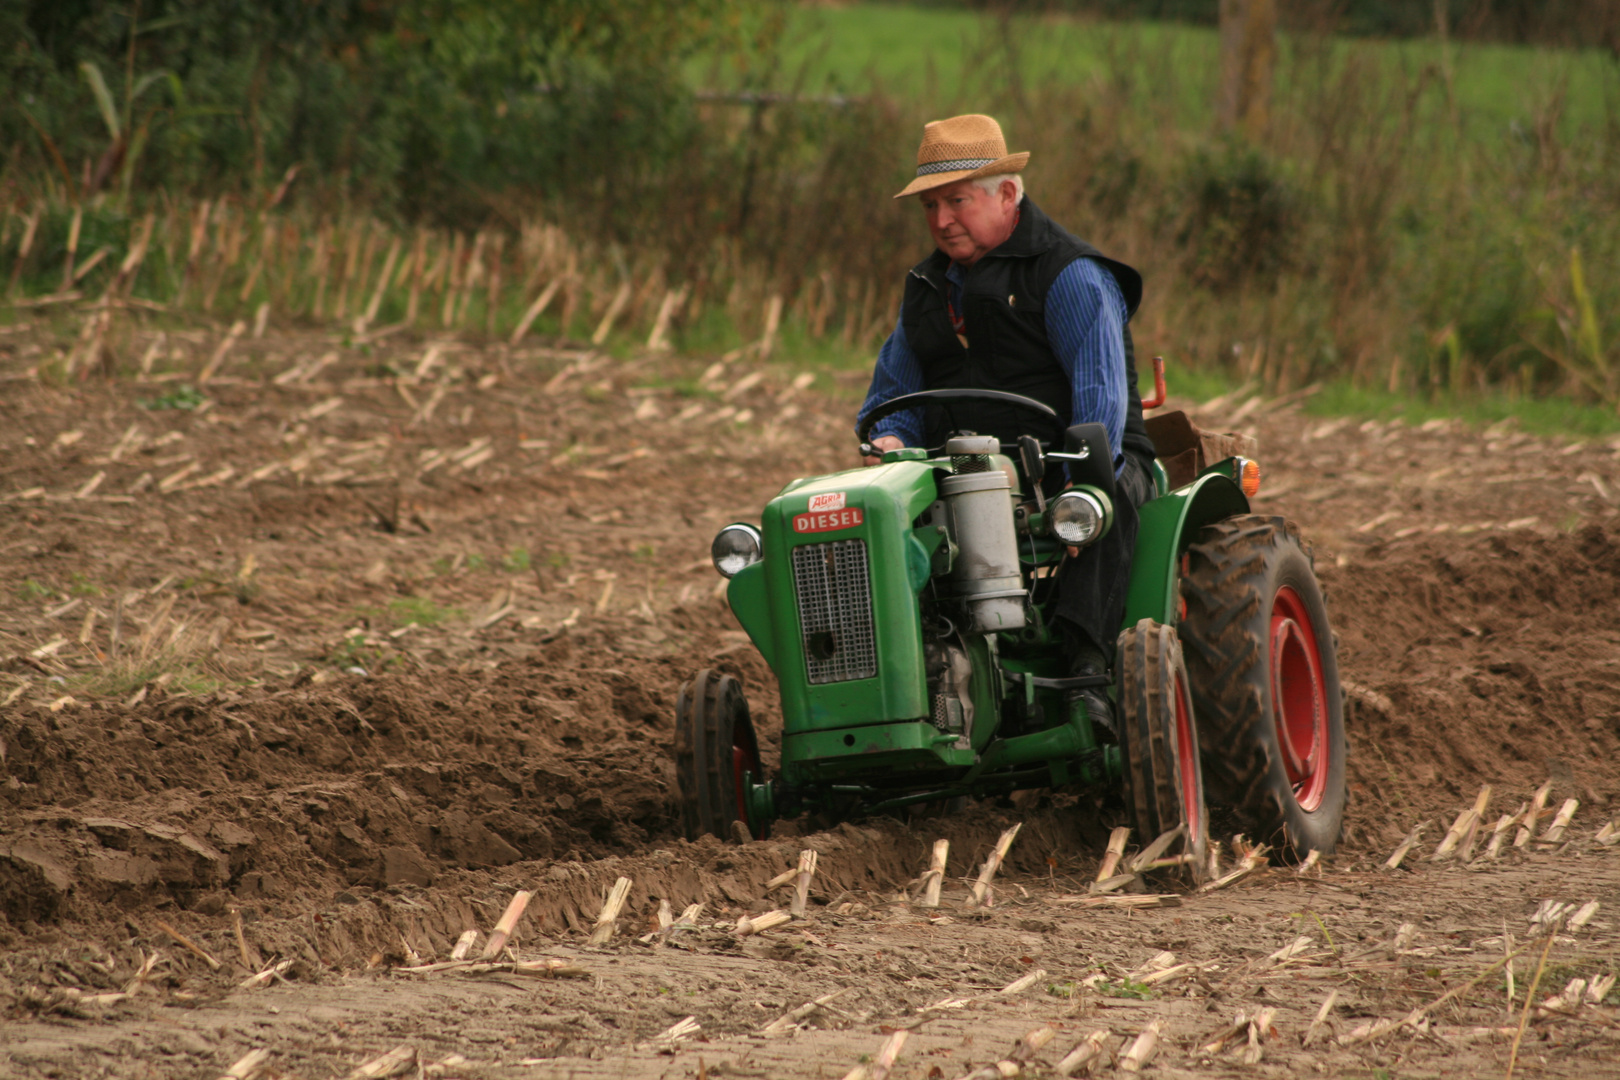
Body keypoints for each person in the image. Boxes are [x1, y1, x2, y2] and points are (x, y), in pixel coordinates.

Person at [856, 113, 1156, 729]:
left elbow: (1100, 405)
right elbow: (893, 398)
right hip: (964, 473)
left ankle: (1087, 675)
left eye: (957, 201)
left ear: (1007, 195)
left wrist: (1079, 482)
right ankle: (905, 686)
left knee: (1099, 506)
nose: (942, 221)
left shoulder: (1070, 274)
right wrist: (887, 440)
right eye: (931, 206)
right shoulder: (927, 289)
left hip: (1072, 465)